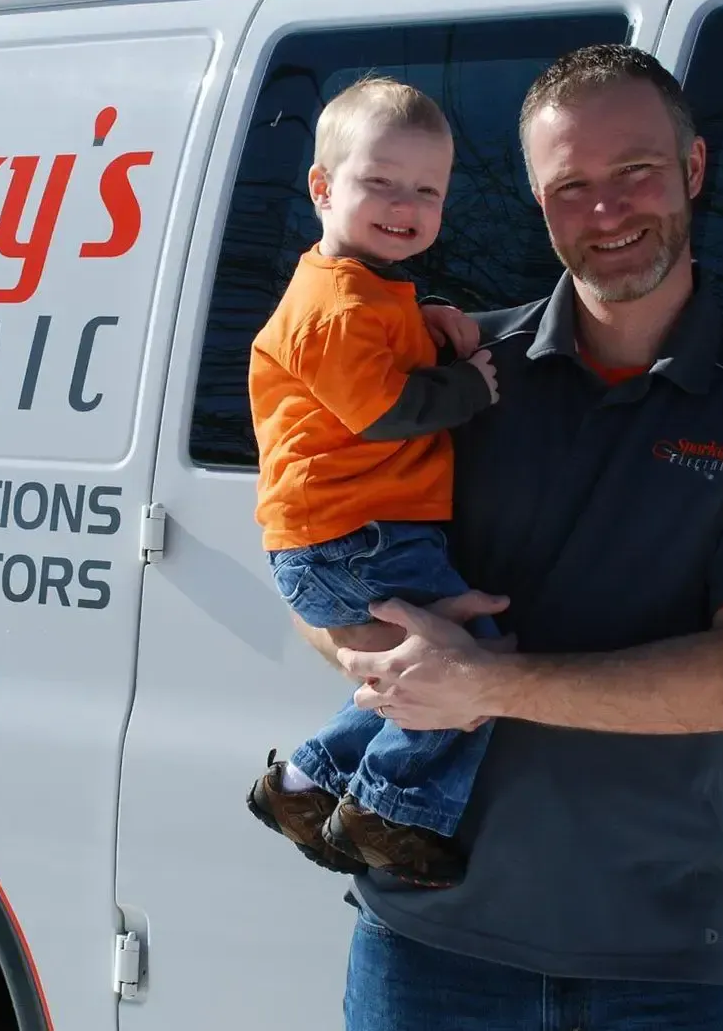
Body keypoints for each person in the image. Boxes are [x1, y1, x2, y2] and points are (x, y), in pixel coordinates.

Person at [292, 45, 723, 1031]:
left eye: (635, 172)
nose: (605, 212)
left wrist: (487, 683)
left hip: (656, 963)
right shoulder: (454, 375)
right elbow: (318, 559)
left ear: (691, 169)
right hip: (425, 948)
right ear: (538, 203)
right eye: (570, 188)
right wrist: (377, 652)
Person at [243, 75, 503, 890]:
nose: (406, 203)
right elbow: (382, 406)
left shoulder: (366, 289)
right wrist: (472, 387)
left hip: (354, 530)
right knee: (464, 675)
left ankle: (304, 786)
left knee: (439, 670)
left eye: (426, 189)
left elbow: (376, 351)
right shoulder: (335, 304)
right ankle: (385, 808)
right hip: (351, 534)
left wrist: (430, 325)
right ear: (322, 188)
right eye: (380, 182)